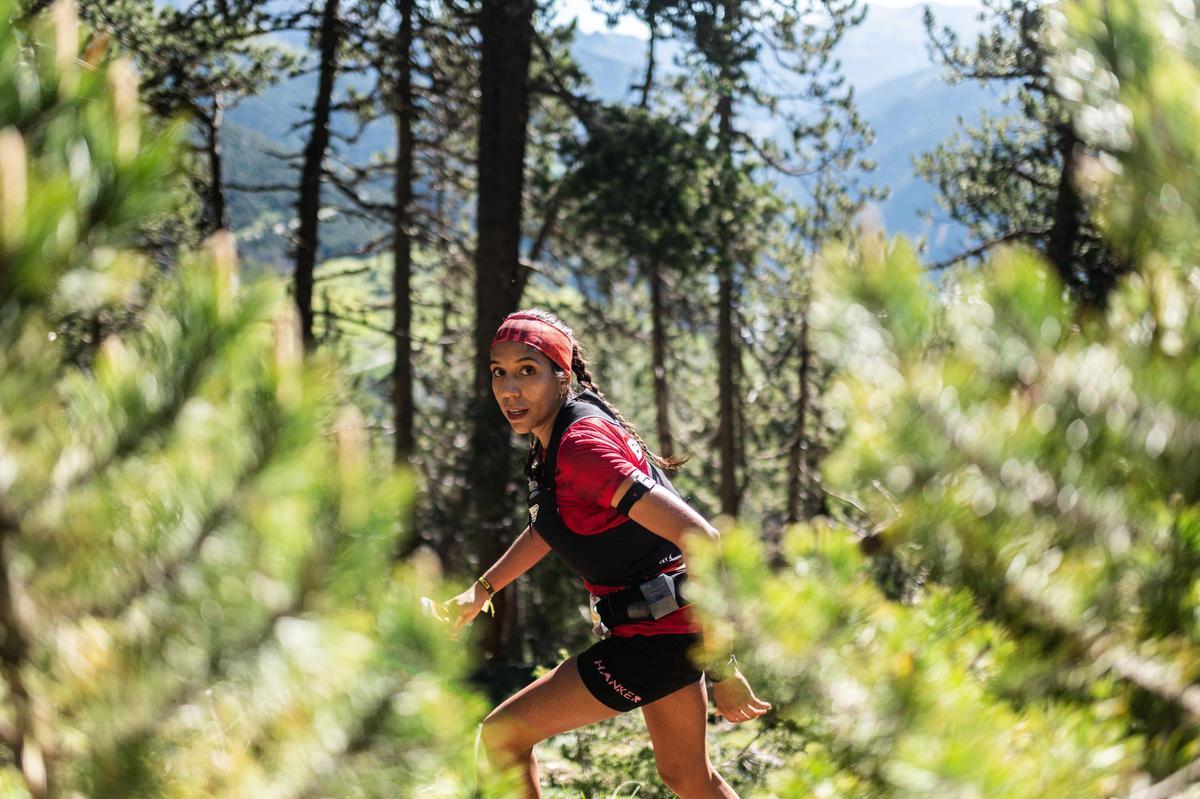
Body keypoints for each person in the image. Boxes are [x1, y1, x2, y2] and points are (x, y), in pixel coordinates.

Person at [445, 309, 770, 799]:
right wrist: (481, 590)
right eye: (499, 372)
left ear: (563, 374)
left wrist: (724, 668)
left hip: (654, 638)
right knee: (688, 778)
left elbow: (701, 539)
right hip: (669, 630)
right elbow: (549, 528)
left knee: (502, 737)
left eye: (527, 370)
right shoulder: (562, 431)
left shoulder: (580, 450)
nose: (509, 389)